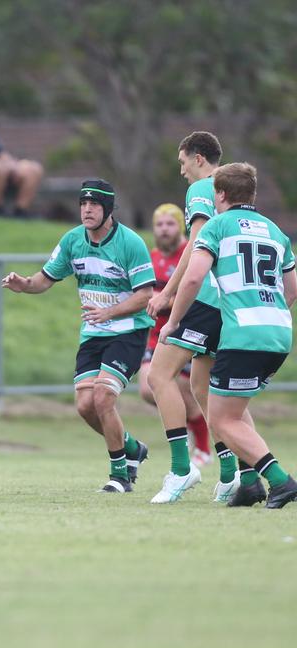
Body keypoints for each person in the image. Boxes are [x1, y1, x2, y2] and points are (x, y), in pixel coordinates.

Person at [2, 180, 154, 493]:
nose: (87, 209)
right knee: (85, 405)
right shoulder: (73, 240)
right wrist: (24, 284)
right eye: (83, 204)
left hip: (128, 332)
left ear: (108, 209)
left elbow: (145, 296)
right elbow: (44, 279)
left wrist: (109, 313)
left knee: (103, 397)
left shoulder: (131, 243)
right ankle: (132, 448)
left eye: (94, 204)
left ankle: (120, 476)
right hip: (93, 334)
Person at [161, 162, 297, 508]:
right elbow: (292, 286)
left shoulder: (218, 226)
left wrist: (173, 321)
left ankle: (281, 481)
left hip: (244, 336)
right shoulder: (274, 230)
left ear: (219, 194)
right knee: (228, 408)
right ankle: (249, 483)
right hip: (278, 333)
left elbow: (193, 279)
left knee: (222, 419)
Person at [145, 132, 243, 504]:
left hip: (204, 299)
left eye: (183, 160)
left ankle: (182, 469)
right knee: (203, 387)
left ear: (199, 158)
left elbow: (197, 242)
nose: (181, 169)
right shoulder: (231, 191)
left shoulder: (202, 188)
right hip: (228, 300)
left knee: (158, 375)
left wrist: (169, 293)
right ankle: (232, 474)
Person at [136, 203, 211, 465]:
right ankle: (189, 429)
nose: (164, 229)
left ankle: (203, 450)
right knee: (148, 388)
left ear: (181, 226)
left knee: (189, 391)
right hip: (157, 335)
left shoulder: (191, 253)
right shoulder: (152, 256)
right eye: (159, 224)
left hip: (186, 331)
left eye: (170, 224)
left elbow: (195, 290)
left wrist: (162, 300)